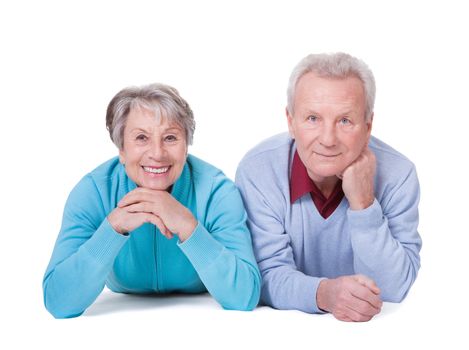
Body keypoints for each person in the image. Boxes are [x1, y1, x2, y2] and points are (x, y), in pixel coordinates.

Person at [43, 83, 261, 318]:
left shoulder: (217, 191)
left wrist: (189, 227)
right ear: (122, 150)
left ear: (186, 146)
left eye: (170, 137)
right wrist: (112, 229)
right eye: (141, 138)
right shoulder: (93, 191)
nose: (157, 153)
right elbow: (58, 302)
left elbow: (244, 296)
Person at [235, 53, 422, 322]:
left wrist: (364, 205)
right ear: (291, 122)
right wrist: (325, 294)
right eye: (312, 118)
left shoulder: (399, 174)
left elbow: (393, 288)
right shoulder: (258, 171)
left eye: (345, 120)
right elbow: (263, 275)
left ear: (368, 127)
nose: (328, 139)